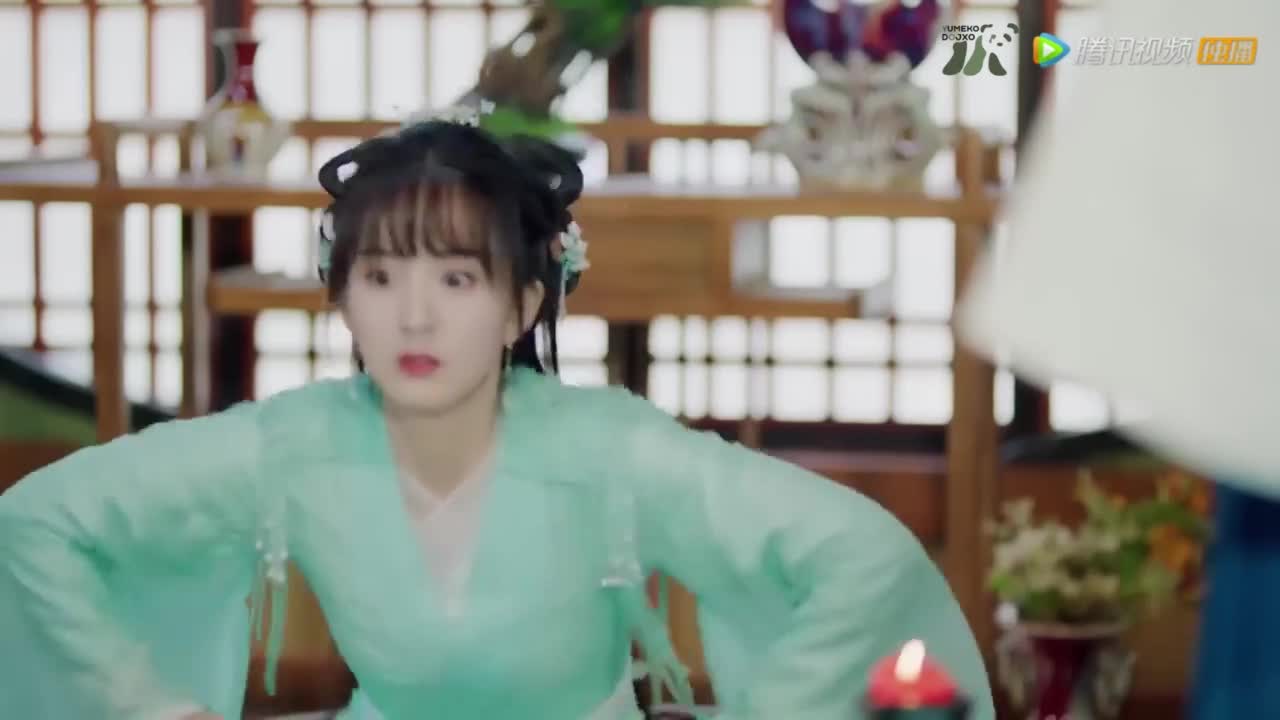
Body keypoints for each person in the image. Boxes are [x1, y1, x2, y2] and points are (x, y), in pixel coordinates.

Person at [0, 112, 992, 720]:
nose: (414, 316)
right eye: (379, 277)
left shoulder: (609, 451)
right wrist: (150, 708)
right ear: (340, 298)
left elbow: (862, 557)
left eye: (456, 278)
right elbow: (37, 524)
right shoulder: (292, 447)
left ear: (522, 305)